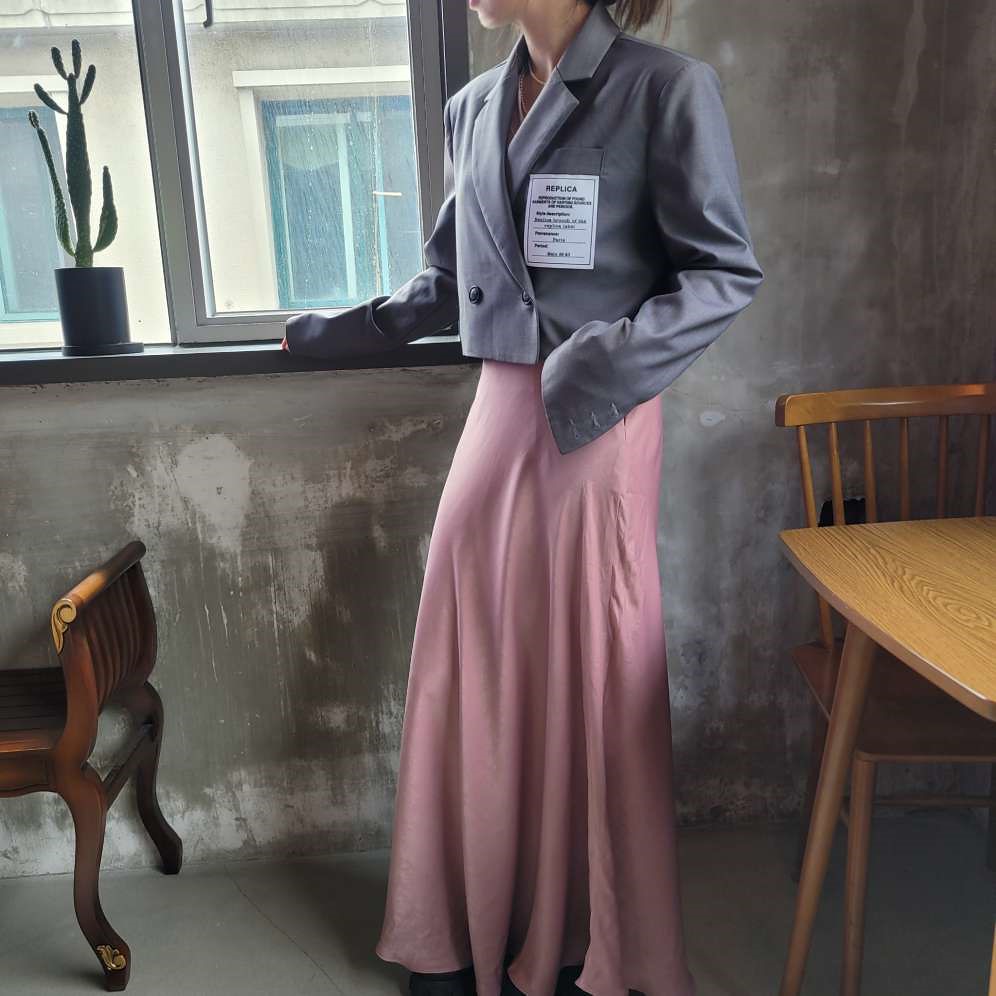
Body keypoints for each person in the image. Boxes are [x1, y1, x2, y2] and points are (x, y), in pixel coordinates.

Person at [284, 1, 763, 993]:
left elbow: (722, 272)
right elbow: (449, 276)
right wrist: (345, 329)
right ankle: (466, 921)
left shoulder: (665, 89)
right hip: (500, 407)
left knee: (587, 658)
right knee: (469, 650)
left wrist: (597, 362)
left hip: (598, 412)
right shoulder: (472, 106)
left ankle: (587, 941)